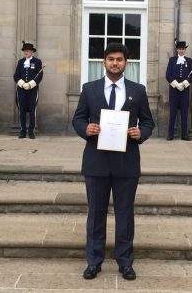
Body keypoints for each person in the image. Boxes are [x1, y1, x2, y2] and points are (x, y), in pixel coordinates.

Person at [72, 43, 155, 281]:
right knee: (96, 213)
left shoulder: (138, 91)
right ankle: (94, 261)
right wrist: (85, 128)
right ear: (104, 62)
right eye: (111, 59)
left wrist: (142, 133)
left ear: (126, 63)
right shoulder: (89, 89)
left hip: (126, 162)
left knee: (125, 214)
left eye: (119, 59)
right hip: (96, 161)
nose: (115, 63)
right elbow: (78, 118)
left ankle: (125, 262)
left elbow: (148, 122)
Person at [166, 40, 192, 141]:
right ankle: (170, 134)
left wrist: (184, 84)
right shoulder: (172, 60)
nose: (182, 51)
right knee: (172, 112)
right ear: (177, 49)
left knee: (184, 113)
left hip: (185, 90)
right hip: (174, 90)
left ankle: (184, 135)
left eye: (183, 49)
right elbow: (168, 75)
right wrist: (176, 85)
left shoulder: (189, 61)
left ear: (185, 50)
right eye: (180, 49)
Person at [14, 42, 43, 139]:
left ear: (32, 52)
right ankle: (22, 131)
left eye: (28, 51)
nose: (26, 52)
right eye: (24, 51)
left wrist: (31, 84)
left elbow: (40, 75)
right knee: (22, 110)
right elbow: (16, 76)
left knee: (32, 110)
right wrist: (22, 83)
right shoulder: (20, 62)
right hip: (21, 89)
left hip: (32, 90)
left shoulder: (37, 62)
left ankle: (31, 131)